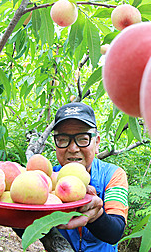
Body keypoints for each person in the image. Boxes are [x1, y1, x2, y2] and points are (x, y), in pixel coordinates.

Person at [52, 102, 129, 251]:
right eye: (62, 138)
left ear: (97, 142)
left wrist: (96, 216)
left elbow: (116, 231)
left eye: (82, 138)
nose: (73, 148)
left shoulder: (113, 175)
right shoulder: (49, 180)